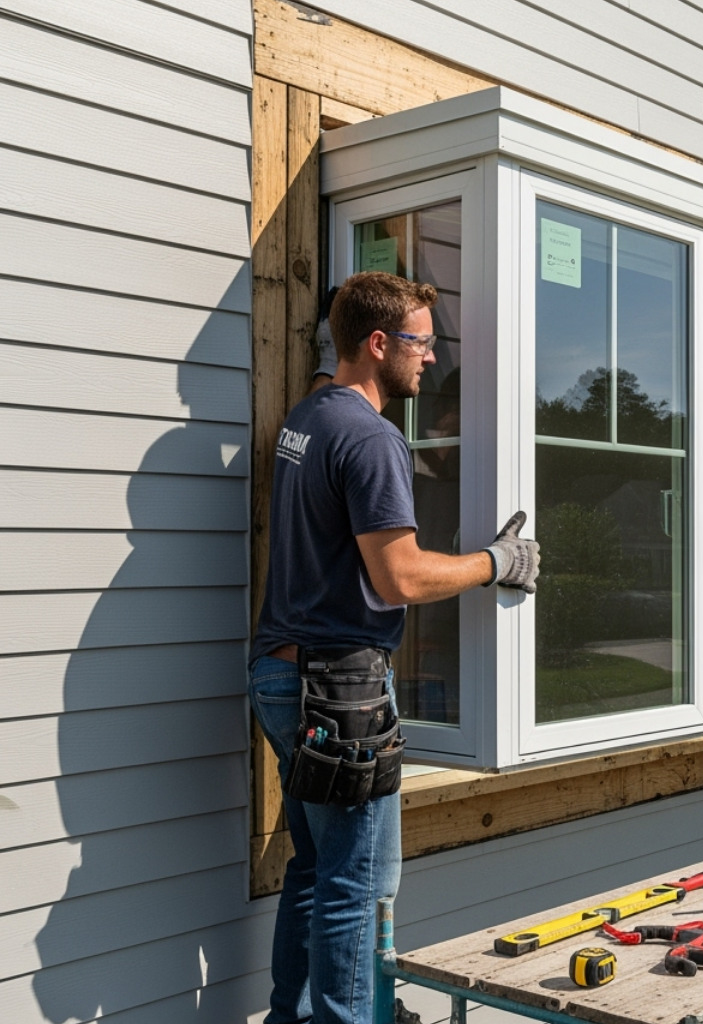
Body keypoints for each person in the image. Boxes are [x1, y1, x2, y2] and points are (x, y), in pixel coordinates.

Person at [249, 271, 540, 1023]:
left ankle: (296, 1017)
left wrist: (332, 332)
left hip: (281, 677)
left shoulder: (308, 415)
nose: (432, 360)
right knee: (359, 883)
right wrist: (495, 563)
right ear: (378, 345)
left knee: (314, 870)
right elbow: (400, 575)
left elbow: (331, 370)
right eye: (420, 343)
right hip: (339, 692)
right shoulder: (373, 439)